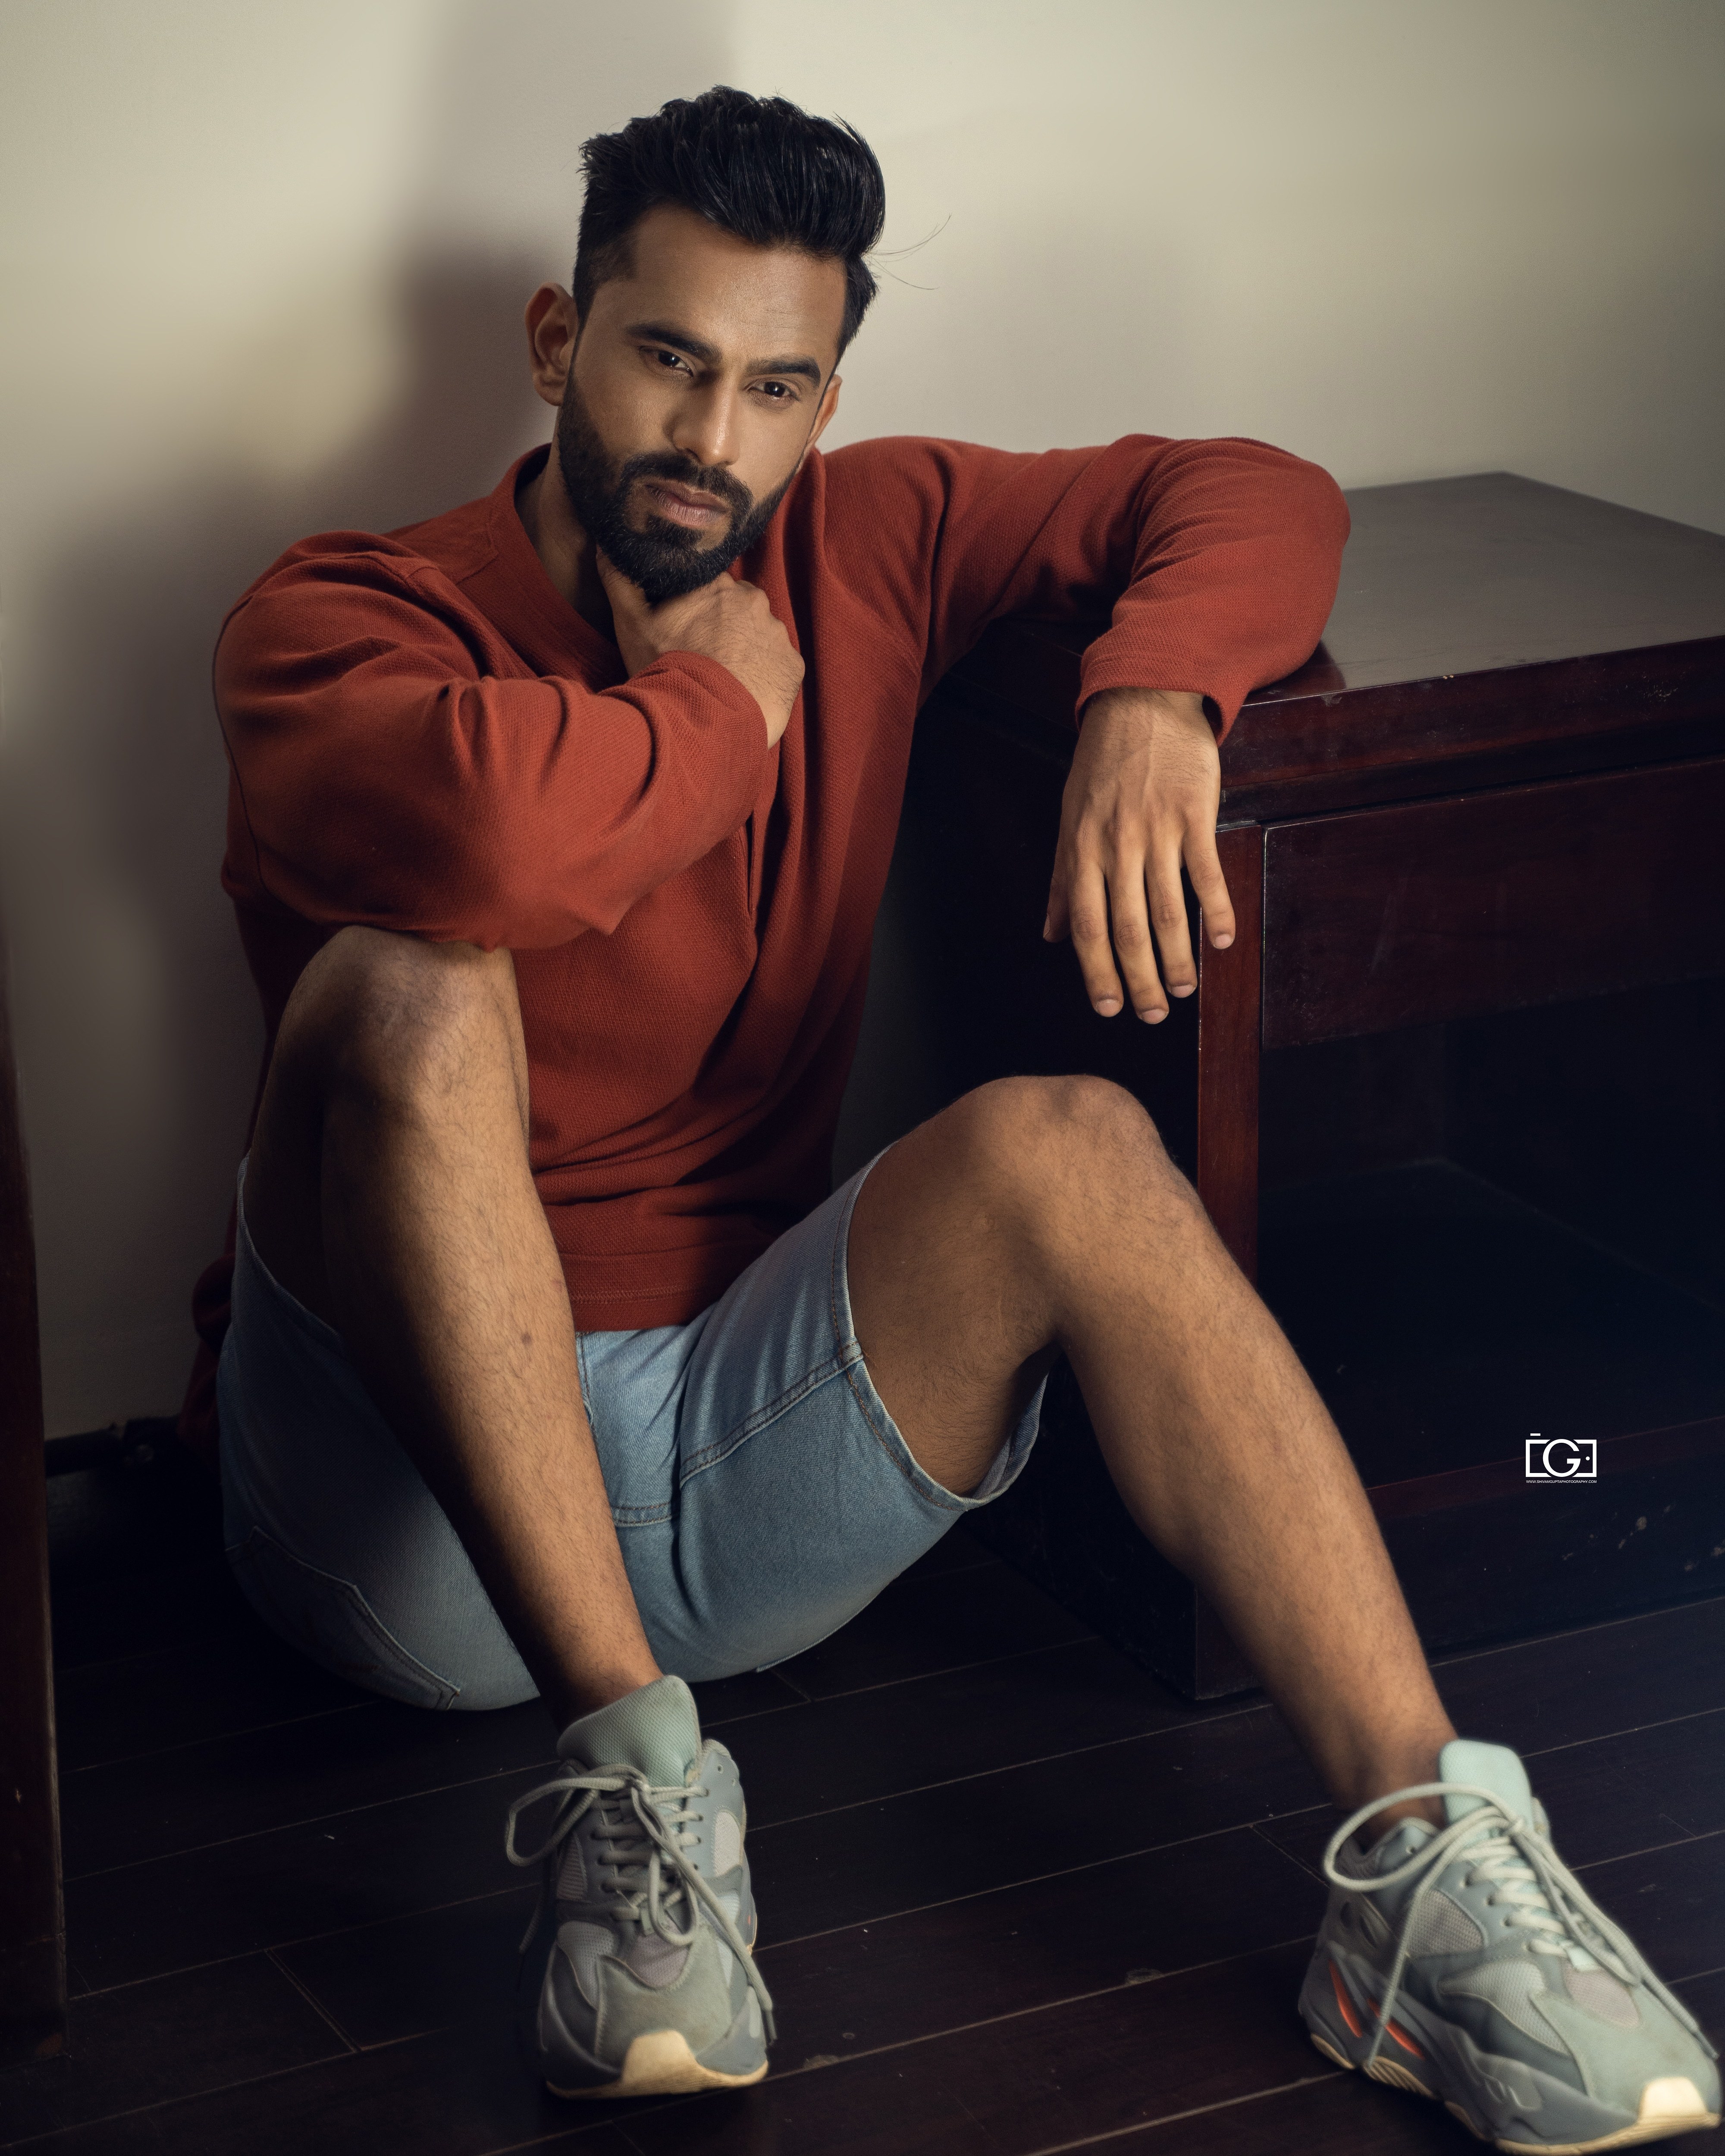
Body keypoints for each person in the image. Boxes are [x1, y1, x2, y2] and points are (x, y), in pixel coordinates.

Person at [193, 85, 1718, 2148]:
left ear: (829, 397)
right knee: (413, 979)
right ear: (559, 341)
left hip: (733, 1469)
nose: (711, 437)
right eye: (664, 359)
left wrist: (1154, 692)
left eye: (775, 386)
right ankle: (636, 1796)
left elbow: (1249, 487)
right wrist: (722, 706)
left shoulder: (873, 530)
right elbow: (494, 843)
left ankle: (1428, 1868)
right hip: (408, 1526)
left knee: (1070, 1138)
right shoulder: (336, 615)